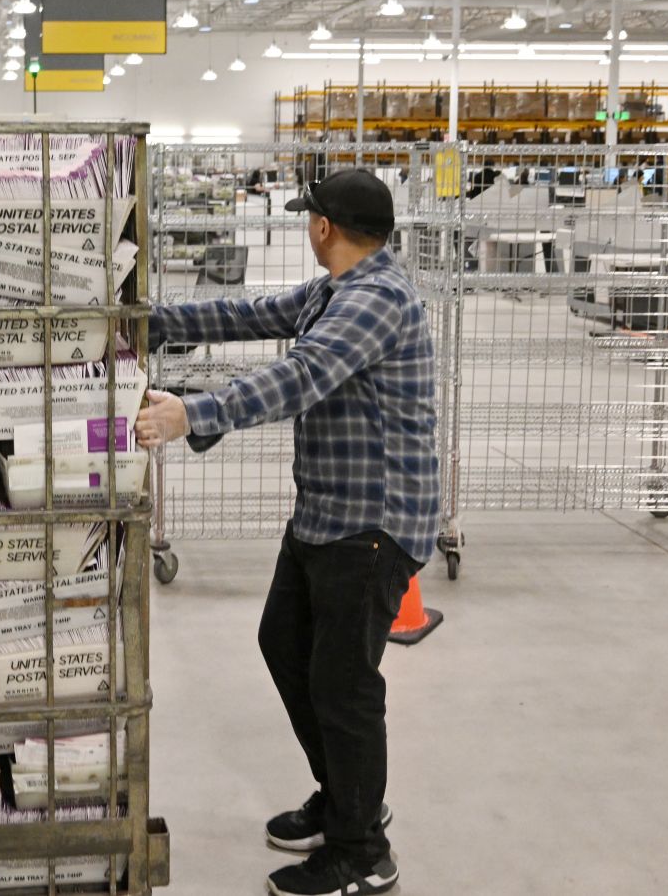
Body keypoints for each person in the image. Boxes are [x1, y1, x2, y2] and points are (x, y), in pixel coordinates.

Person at [138, 169, 438, 896]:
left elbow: (300, 376)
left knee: (343, 685)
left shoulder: (376, 300)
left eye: (309, 216)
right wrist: (149, 320)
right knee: (284, 640)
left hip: (373, 521)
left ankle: (362, 847)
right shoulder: (336, 288)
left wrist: (192, 412)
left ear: (324, 227)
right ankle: (345, 796)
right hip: (328, 513)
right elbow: (250, 314)